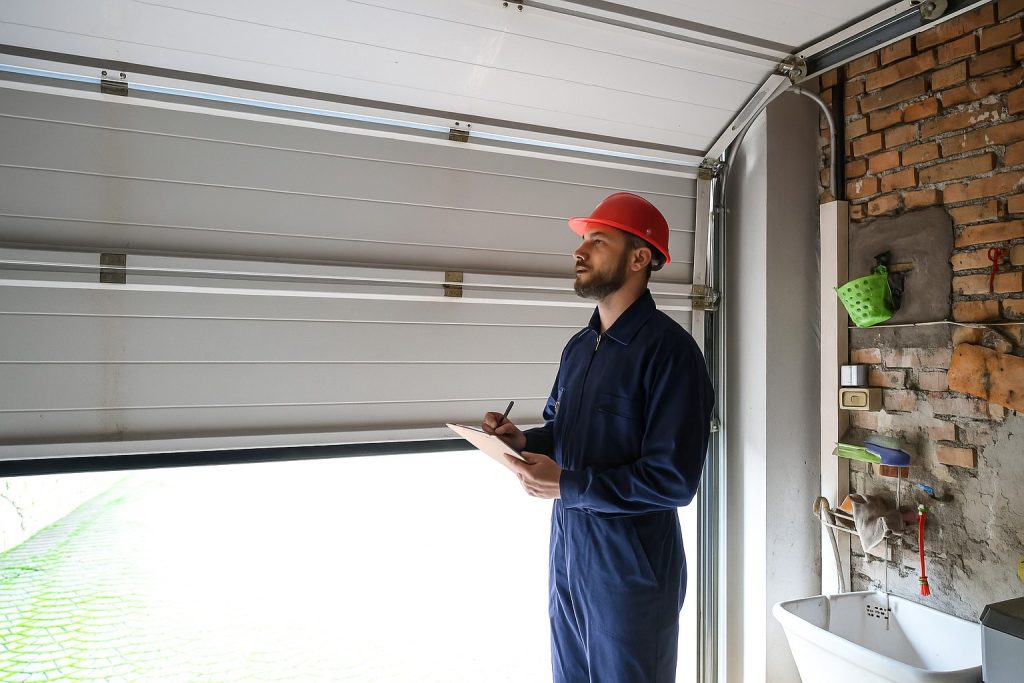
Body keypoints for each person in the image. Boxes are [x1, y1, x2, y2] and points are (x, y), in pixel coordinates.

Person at [482, 192, 715, 683]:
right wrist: (522, 443)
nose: (579, 251)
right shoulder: (580, 347)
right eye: (583, 240)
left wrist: (568, 485)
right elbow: (563, 433)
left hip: (630, 570)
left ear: (639, 258)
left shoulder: (672, 354)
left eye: (597, 240)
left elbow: (673, 482)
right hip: (568, 555)